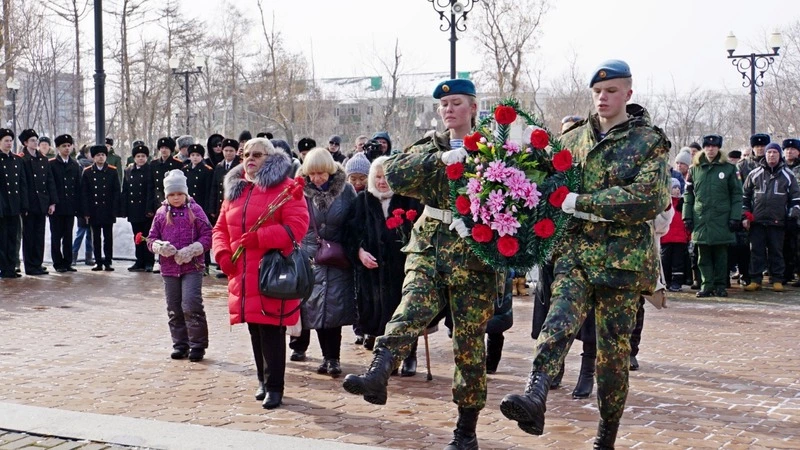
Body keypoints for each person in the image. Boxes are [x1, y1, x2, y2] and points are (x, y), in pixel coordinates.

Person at [499, 60, 670, 450]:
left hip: (622, 264)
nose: (603, 98)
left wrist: (583, 202)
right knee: (556, 322)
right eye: (597, 92)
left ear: (628, 93)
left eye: (611, 91)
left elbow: (648, 198)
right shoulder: (573, 139)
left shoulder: (649, 141)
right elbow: (546, 183)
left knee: (612, 356)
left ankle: (605, 435)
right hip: (575, 254)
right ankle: (535, 396)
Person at [342, 78, 499, 450]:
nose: (448, 110)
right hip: (429, 245)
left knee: (469, 345)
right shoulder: (427, 147)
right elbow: (393, 173)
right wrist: (439, 160)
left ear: (474, 107)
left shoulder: (495, 149)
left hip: (475, 256)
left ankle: (466, 431)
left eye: (457, 103)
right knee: (410, 307)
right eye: (443, 105)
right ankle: (378, 373)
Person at [212, 138, 309, 409]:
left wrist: (259, 238)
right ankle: (262, 380)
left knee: (271, 329)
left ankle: (275, 386)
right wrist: (221, 254)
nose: (250, 159)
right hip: (242, 271)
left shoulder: (287, 189)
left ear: (270, 157)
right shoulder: (236, 189)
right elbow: (220, 227)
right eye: (246, 155)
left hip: (271, 271)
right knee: (255, 328)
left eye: (257, 154)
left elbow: (297, 227)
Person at [347, 156, 422, 375]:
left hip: (402, 269)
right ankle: (383, 360)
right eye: (378, 176)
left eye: (387, 176)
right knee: (378, 315)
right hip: (373, 272)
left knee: (405, 314)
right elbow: (350, 234)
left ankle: (409, 354)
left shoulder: (408, 199)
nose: (382, 181)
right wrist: (359, 253)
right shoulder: (362, 201)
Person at [291, 147, 356, 378]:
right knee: (316, 309)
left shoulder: (346, 191)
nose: (317, 179)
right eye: (312, 174)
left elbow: (354, 220)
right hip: (311, 257)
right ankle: (326, 357)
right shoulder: (300, 191)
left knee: (334, 310)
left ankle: (333, 358)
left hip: (338, 257)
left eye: (322, 174)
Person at [148, 169, 212, 362]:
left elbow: (208, 235)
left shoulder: (196, 210)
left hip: (192, 266)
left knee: (191, 303)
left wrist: (193, 249)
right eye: (172, 194)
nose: (176, 198)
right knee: (174, 306)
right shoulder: (160, 213)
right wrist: (160, 247)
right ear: (167, 195)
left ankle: (197, 344)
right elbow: (151, 239)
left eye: (179, 194)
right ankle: (180, 344)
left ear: (185, 193)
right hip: (169, 269)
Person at [683, 134, 742, 298]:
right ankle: (706, 285)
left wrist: (735, 217)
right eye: (708, 147)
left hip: (722, 218)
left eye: (714, 147)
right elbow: (688, 195)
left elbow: (737, 195)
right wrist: (687, 217)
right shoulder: (694, 169)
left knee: (721, 255)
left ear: (718, 148)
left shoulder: (729, 169)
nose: (710, 149)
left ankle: (720, 285)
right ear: (704, 148)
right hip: (701, 218)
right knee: (703, 256)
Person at [742, 142, 800, 292]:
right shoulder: (754, 174)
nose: (771, 155)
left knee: (776, 251)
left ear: (779, 155)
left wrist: (792, 216)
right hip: (757, 221)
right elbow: (745, 197)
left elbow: (795, 198)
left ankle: (777, 279)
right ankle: (755, 280)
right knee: (756, 251)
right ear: (765, 155)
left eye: (774, 152)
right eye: (769, 152)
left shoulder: (788, 175)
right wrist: (746, 215)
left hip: (778, 221)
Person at [20, 129, 58, 276]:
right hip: (29, 203)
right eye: (32, 141)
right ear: (25, 143)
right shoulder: (22, 159)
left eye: (36, 140)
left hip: (42, 202)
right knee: (29, 235)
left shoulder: (43, 159)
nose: (35, 143)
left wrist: (52, 202)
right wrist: (24, 205)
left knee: (39, 234)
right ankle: (30, 265)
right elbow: (22, 184)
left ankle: (38, 263)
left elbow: (50, 181)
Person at [81, 144, 121, 271]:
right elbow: (84, 193)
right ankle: (98, 261)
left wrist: (115, 210)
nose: (101, 157)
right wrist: (86, 211)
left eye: (103, 155)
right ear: (93, 157)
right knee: (96, 237)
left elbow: (116, 192)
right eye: (98, 155)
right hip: (94, 210)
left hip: (108, 210)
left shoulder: (112, 171)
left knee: (108, 237)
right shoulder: (87, 172)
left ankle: (108, 261)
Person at [48, 134, 82, 273]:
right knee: (56, 235)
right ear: (58, 148)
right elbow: (50, 185)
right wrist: (52, 202)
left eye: (69, 146)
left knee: (68, 235)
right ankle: (58, 262)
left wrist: (78, 206)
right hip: (57, 206)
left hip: (70, 206)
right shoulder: (52, 164)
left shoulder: (75, 164)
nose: (67, 148)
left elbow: (78, 186)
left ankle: (68, 262)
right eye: (64, 146)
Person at [150, 137, 183, 274]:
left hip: (173, 201)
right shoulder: (153, 164)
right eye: (162, 148)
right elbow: (150, 185)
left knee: (171, 232)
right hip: (157, 202)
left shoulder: (177, 164)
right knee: (157, 232)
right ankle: (157, 260)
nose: (164, 150)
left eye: (166, 148)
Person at [122, 144, 156, 272]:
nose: (140, 158)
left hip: (147, 210)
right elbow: (125, 190)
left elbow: (151, 191)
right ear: (134, 158)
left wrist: (150, 209)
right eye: (138, 156)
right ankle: (139, 261)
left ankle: (149, 261)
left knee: (148, 236)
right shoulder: (129, 171)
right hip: (133, 209)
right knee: (137, 236)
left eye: (143, 156)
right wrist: (124, 209)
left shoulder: (150, 170)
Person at [0, 128, 29, 278]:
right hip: (2, 206)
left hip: (14, 205)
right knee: (2, 238)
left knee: (13, 237)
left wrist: (24, 205)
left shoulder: (17, 160)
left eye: (10, 141)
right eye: (6, 140)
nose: (9, 143)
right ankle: (3, 268)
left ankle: (11, 267)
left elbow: (22, 184)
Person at [661, 178, 690, 292]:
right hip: (666, 237)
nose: (677, 190)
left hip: (680, 238)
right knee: (665, 261)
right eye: (674, 188)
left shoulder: (683, 203)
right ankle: (666, 281)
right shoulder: (665, 203)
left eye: (678, 188)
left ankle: (677, 282)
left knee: (678, 262)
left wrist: (688, 235)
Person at [486, 271, 513, 375]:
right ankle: (489, 364)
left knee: (496, 326)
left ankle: (490, 364)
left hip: (499, 277)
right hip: (500, 275)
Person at [72, 144, 94, 266]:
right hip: (82, 206)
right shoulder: (80, 165)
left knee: (90, 234)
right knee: (80, 233)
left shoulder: (93, 167)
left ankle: (88, 256)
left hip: (92, 206)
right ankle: (73, 255)